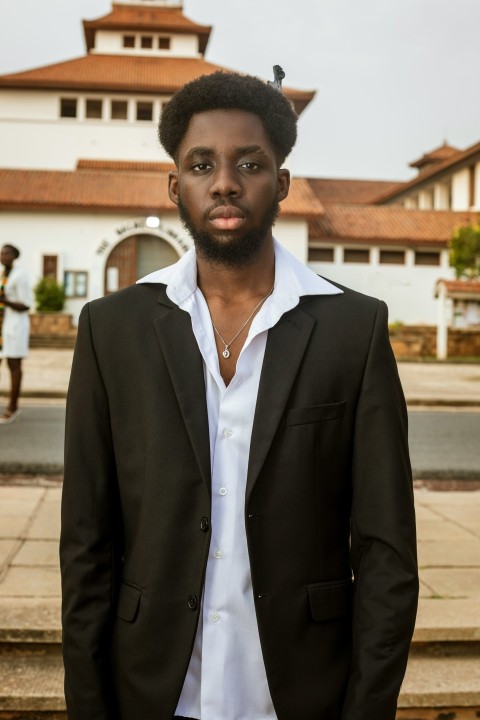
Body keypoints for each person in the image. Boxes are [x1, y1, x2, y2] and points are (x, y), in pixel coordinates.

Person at [60, 71, 418, 720]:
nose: (225, 181)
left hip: (304, 695)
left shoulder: (352, 329)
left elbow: (386, 551)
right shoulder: (111, 331)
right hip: (152, 692)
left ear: (281, 183)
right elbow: (86, 543)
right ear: (177, 187)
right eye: (202, 164)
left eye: (249, 163)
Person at [0, 244, 31, 424]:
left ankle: (13, 407)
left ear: (14, 256)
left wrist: (5, 300)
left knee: (14, 365)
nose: (3, 256)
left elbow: (26, 305)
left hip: (15, 326)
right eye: (1, 253)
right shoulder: (3, 275)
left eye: (7, 253)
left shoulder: (20, 276)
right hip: (2, 326)